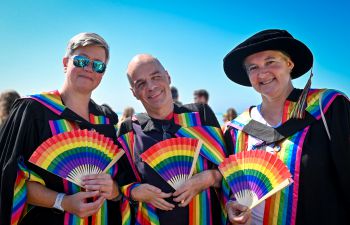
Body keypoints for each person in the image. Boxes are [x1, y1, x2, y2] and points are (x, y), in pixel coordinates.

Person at [0, 32, 133, 225]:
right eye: (81, 60)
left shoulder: (107, 120)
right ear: (65, 63)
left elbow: (123, 181)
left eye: (98, 65)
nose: (89, 68)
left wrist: (113, 190)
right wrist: (62, 202)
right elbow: (9, 179)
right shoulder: (33, 111)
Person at [222, 29, 350, 225]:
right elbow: (233, 186)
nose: (262, 72)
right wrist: (231, 204)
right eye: (253, 67)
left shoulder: (328, 108)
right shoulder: (239, 128)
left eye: (270, 62)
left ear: (289, 64)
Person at [118, 54, 227, 225]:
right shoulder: (129, 130)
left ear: (168, 77)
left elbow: (231, 169)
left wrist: (209, 178)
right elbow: (119, 181)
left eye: (156, 77)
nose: (151, 86)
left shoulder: (200, 115)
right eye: (141, 83)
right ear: (134, 93)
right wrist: (134, 191)